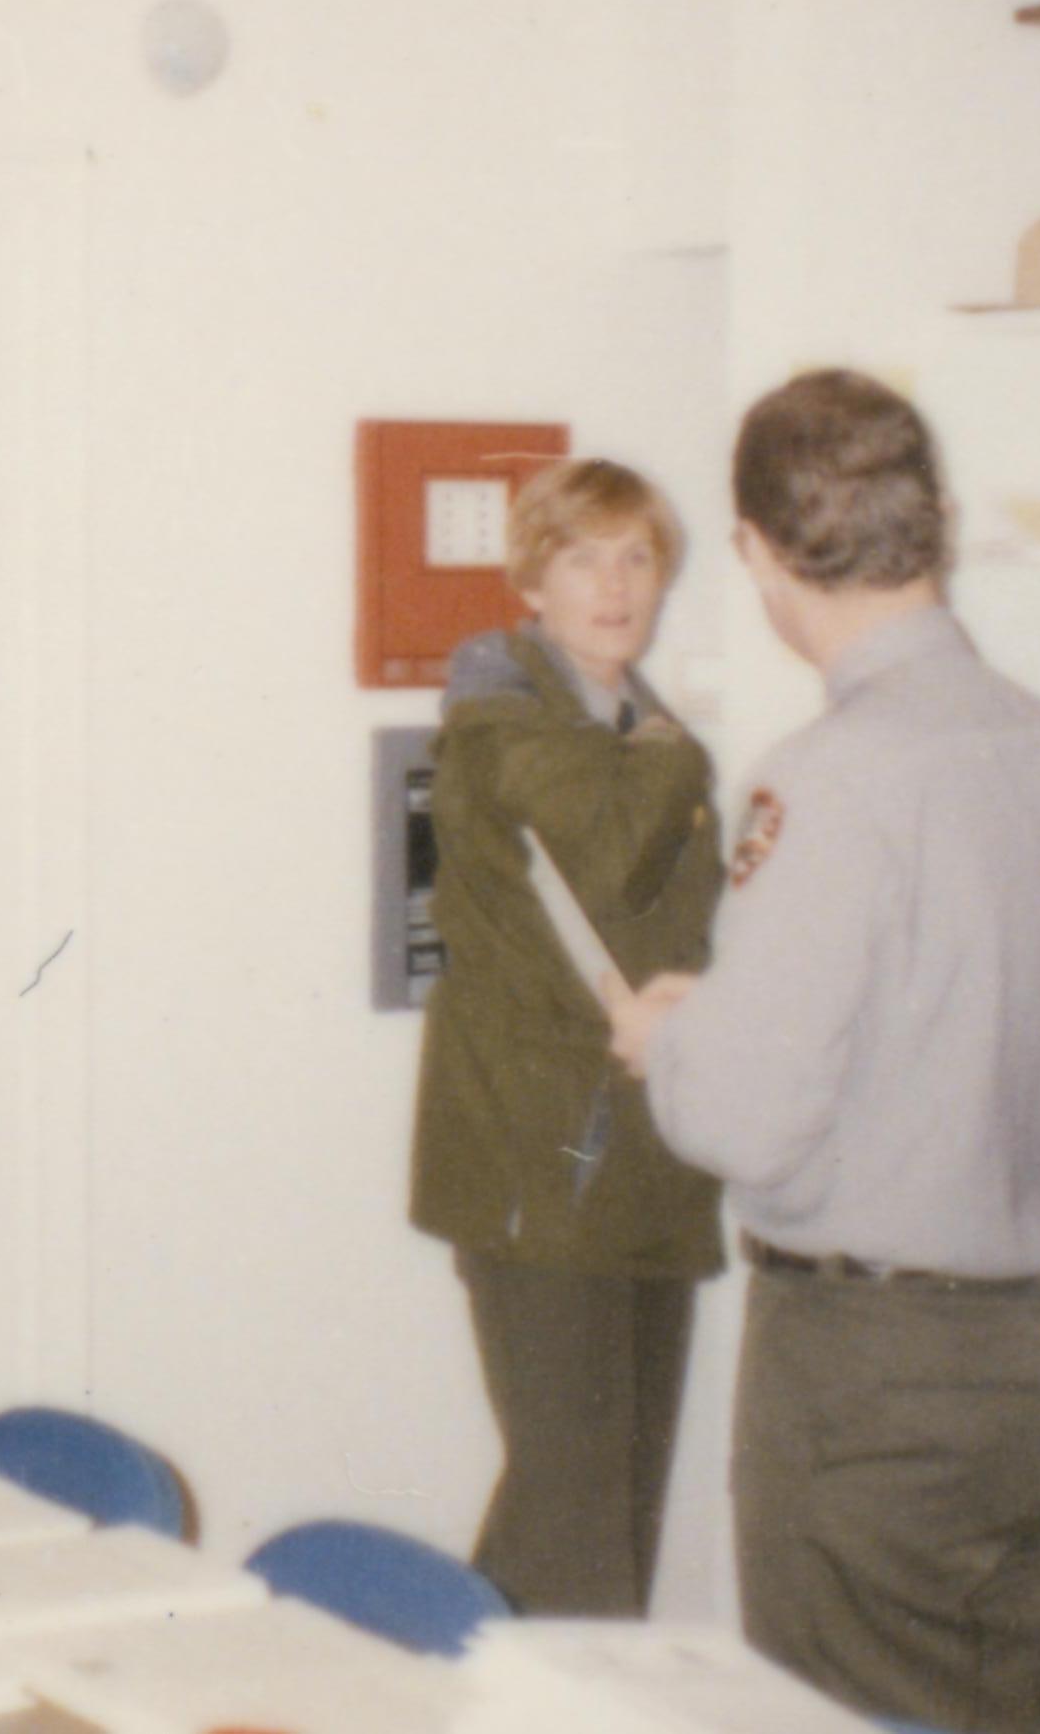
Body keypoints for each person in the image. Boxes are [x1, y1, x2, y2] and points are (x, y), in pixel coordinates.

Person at [611, 368, 1040, 1734]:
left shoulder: (829, 776)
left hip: (880, 1375)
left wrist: (671, 1040)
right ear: (938, 521)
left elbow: (743, 1120)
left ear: (758, 552)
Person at [409, 457, 723, 1616]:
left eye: (638, 555)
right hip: (539, 1162)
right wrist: (681, 748)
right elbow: (605, 839)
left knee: (608, 1504)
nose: (616, 583)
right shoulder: (507, 720)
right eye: (584, 555)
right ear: (531, 580)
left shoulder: (626, 718)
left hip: (644, 1157)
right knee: (579, 1516)